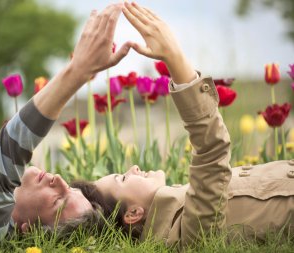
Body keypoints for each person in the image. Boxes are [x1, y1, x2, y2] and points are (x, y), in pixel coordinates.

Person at [72, 1, 294, 248]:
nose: (133, 167)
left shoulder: (180, 207)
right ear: (133, 214)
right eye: (123, 178)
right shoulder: (189, 231)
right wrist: (174, 57)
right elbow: (211, 151)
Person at [0, 3, 132, 239]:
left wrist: (79, 71)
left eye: (59, 200)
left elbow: (12, 143)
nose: (58, 179)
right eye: (69, 187)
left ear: (29, 230)